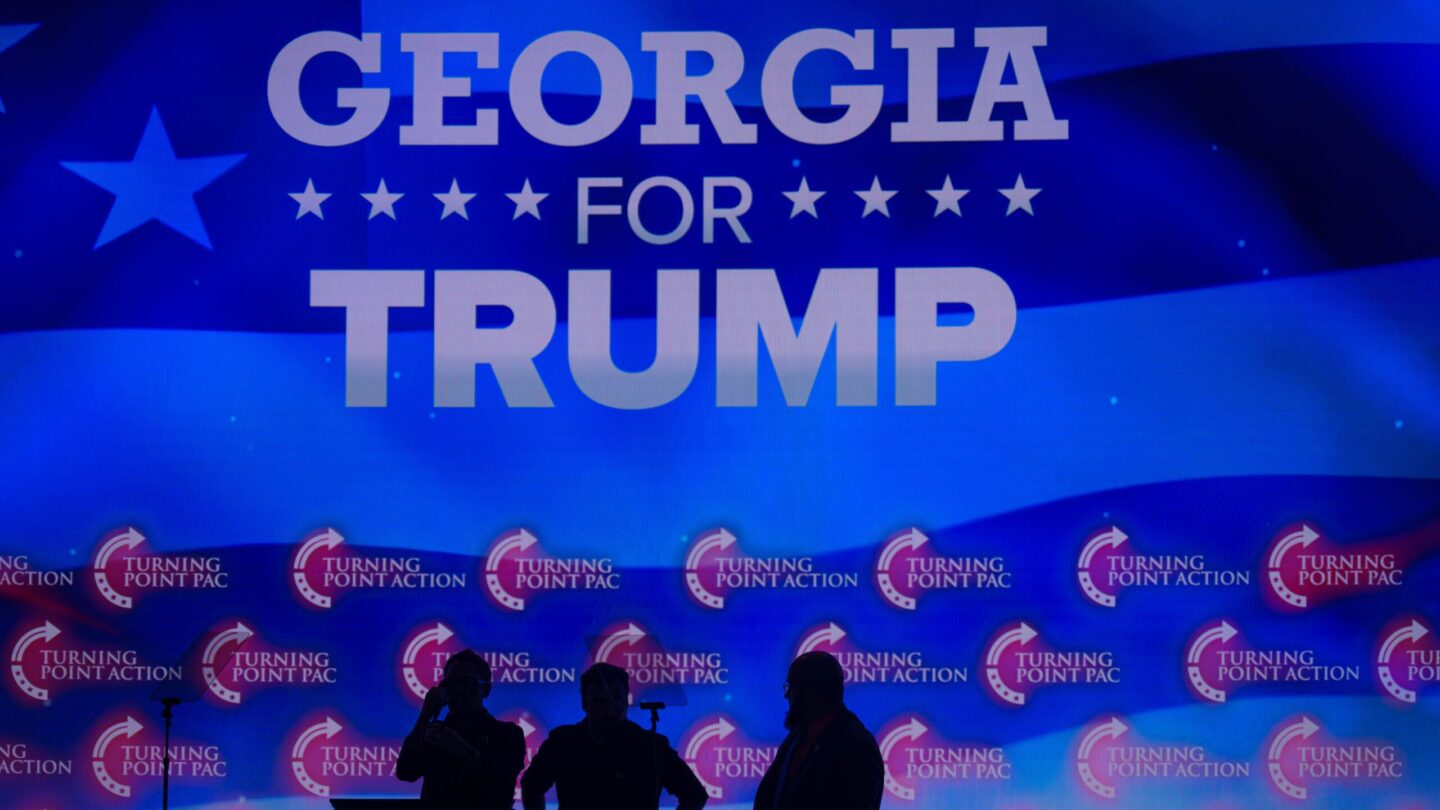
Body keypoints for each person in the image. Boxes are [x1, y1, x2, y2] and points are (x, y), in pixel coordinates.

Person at [520, 662, 707, 810]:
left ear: (627, 700)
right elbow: (530, 786)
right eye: (599, 702)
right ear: (584, 703)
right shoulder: (562, 742)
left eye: (616, 700)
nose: (609, 710)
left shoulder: (650, 746)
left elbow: (695, 795)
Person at [752, 651, 883, 810]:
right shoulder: (800, 734)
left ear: (811, 693)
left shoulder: (857, 746)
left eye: (791, 688)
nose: (787, 696)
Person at [397, 649, 526, 808]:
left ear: (485, 690)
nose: (459, 690)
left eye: (469, 682)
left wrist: (465, 751)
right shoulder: (435, 733)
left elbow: (502, 786)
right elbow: (405, 772)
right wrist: (425, 714)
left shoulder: (507, 734)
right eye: (452, 683)